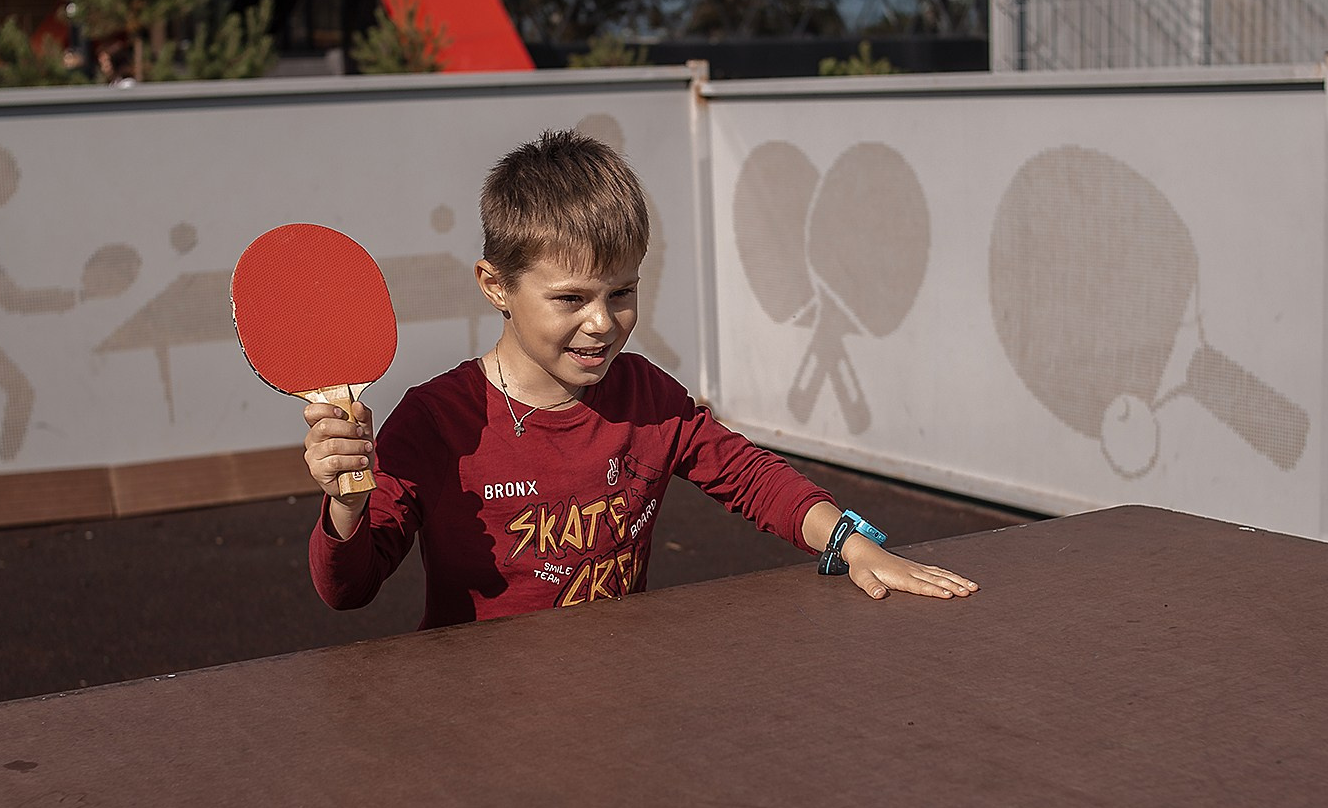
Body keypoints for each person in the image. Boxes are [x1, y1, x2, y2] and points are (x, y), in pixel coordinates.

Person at [305, 129, 978, 628]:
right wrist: (346, 506)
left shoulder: (647, 397)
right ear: (495, 284)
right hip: (481, 717)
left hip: (622, 703)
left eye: (621, 292)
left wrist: (848, 541)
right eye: (571, 299)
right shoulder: (433, 422)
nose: (602, 322)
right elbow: (348, 589)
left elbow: (748, 474)